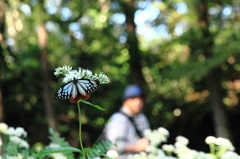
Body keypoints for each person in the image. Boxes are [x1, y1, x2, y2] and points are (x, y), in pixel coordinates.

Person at [104, 84, 150, 159]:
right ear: (125, 101)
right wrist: (135, 148)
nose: (137, 102)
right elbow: (111, 144)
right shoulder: (118, 119)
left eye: (140, 98)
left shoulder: (142, 118)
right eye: (133, 98)